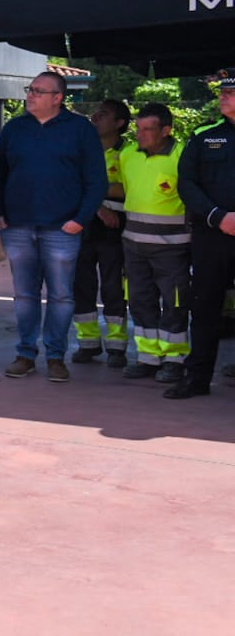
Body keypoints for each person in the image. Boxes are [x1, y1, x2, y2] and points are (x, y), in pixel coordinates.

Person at [0, 71, 107, 383]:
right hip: (18, 226)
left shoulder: (81, 129)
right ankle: (25, 353)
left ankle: (56, 356)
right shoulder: (14, 128)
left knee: (62, 296)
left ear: (58, 98)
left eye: (39, 91)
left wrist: (80, 219)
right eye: (31, 89)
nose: (31, 95)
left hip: (62, 229)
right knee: (24, 295)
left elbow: (97, 181)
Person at [165, 72, 235, 400]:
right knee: (205, 306)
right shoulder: (204, 135)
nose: (223, 96)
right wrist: (217, 217)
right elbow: (187, 183)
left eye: (231, 92)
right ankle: (197, 378)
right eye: (223, 91)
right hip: (213, 235)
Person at [117, 103, 191, 383]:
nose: (141, 134)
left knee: (174, 303)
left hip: (172, 247)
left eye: (148, 129)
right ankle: (148, 357)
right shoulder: (128, 156)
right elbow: (127, 191)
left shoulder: (183, 156)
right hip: (133, 245)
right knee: (139, 300)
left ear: (167, 130)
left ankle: (174, 358)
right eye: (139, 128)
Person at [72, 100, 130, 366]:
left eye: (104, 114)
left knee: (113, 286)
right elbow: (71, 184)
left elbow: (129, 188)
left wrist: (93, 187)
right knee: (82, 285)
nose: (95, 117)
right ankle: (88, 343)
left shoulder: (129, 152)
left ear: (119, 123)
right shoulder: (84, 149)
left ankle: (117, 346)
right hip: (84, 224)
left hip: (115, 228)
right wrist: (98, 202)